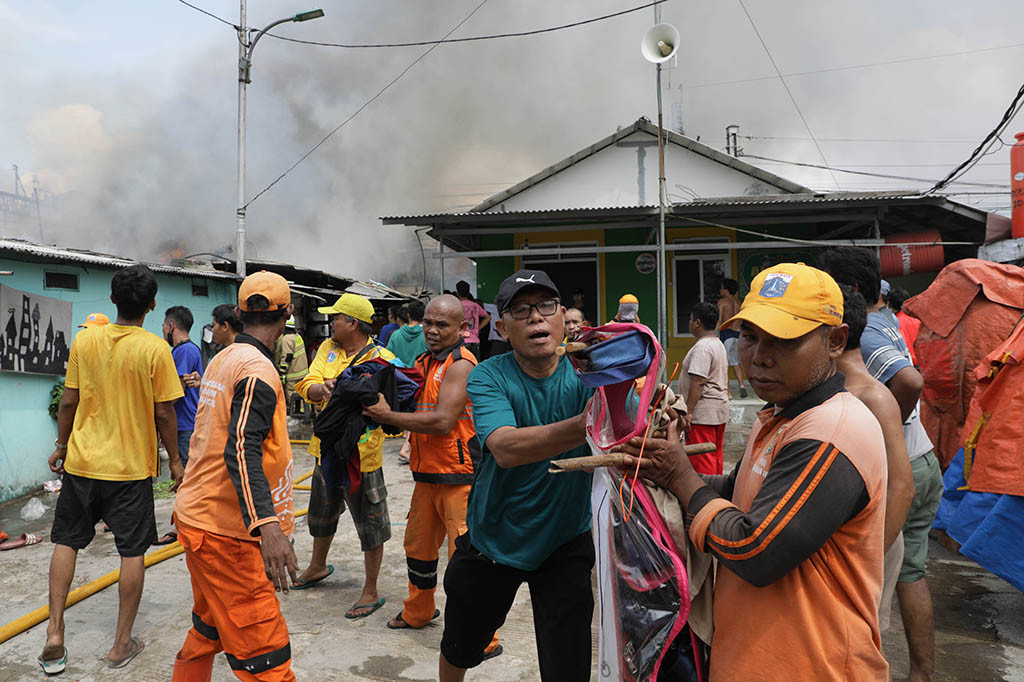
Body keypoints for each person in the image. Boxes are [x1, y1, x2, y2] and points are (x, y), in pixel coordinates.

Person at [616, 262, 889, 681]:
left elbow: (755, 549)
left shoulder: (830, 431)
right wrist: (660, 473)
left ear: (835, 341)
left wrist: (681, 479)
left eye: (783, 341)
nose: (759, 356)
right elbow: (738, 493)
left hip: (812, 668)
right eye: (749, 337)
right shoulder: (783, 416)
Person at [439, 270, 594, 682]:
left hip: (565, 541)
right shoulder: (488, 375)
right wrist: (590, 424)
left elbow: (630, 424)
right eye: (521, 310)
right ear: (503, 328)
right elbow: (506, 448)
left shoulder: (588, 372)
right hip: (495, 540)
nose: (536, 317)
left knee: (569, 667)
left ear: (563, 317)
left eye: (546, 306)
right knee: (460, 646)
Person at [40, 264, 184, 674]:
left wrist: (61, 446)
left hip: (82, 463)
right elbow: (165, 414)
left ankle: (55, 632)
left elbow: (69, 402)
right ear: (152, 305)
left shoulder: (86, 340)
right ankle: (121, 644)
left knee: (66, 542)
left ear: (112, 299)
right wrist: (175, 461)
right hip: (130, 470)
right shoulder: (156, 349)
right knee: (132, 551)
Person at [819, 247, 941, 682]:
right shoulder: (884, 318)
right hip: (920, 456)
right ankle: (921, 673)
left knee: (876, 582)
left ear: (849, 291)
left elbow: (909, 381)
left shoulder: (864, 333)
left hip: (902, 464)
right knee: (908, 572)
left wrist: (885, 423)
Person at [171, 271, 299, 681]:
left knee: (208, 629)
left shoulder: (224, 358)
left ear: (239, 314)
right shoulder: (256, 370)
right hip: (227, 534)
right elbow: (241, 449)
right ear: (288, 314)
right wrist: (268, 526)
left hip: (199, 519)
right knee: (265, 656)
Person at [363, 295, 501, 656]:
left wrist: (387, 417)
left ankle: (483, 637)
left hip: (459, 479)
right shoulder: (424, 362)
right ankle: (419, 612)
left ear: (463, 328)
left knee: (467, 563)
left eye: (442, 324)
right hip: (426, 475)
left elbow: (442, 421)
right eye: (428, 322)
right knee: (419, 551)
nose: (433, 330)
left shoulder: (461, 365)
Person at [293, 293, 396, 619]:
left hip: (362, 456)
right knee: (321, 514)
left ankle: (371, 590)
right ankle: (317, 566)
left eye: (336, 317)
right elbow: (307, 383)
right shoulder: (328, 348)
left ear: (352, 323)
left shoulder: (382, 358)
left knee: (371, 524)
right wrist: (321, 389)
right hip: (325, 451)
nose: (331, 322)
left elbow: (388, 405)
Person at [836, 285, 916, 632]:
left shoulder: (873, 397)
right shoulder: (836, 389)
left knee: (861, 638)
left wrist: (867, 560)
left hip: (872, 541)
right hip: (850, 543)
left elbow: (903, 488)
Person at [677, 302, 729, 475]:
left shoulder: (703, 348)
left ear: (697, 323)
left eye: (691, 320)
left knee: (702, 461)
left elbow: (698, 381)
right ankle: (716, 490)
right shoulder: (717, 344)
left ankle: (705, 491)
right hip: (717, 410)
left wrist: (689, 412)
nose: (689, 323)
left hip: (703, 413)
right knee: (714, 456)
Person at [163, 306, 203, 470]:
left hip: (185, 424)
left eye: (164, 326)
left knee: (188, 475)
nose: (163, 330)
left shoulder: (184, 350)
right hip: (184, 423)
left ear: (171, 326)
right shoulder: (184, 349)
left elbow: (176, 392)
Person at [716, 278, 748, 398]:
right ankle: (742, 386)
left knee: (724, 364)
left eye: (721, 288)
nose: (720, 290)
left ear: (726, 289)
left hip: (726, 334)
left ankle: (728, 393)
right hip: (738, 334)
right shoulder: (739, 303)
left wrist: (713, 334)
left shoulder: (722, 302)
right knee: (735, 362)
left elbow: (719, 320)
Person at [274, 315, 309, 411]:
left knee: (292, 394)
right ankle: (304, 410)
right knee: (301, 393)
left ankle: (297, 413)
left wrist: (282, 372)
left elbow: (287, 357)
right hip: (303, 372)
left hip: (293, 374)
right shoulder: (297, 336)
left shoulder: (286, 339)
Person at [387, 300, 428, 367]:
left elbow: (388, 357)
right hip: (419, 373)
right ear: (424, 316)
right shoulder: (427, 336)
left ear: (408, 315)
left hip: (399, 373)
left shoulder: (395, 335)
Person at [455, 281, 489, 358]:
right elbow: (487, 318)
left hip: (461, 341)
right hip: (475, 340)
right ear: (468, 292)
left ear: (457, 293)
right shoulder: (475, 305)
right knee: (475, 363)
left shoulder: (456, 306)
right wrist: (478, 328)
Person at [888, 286, 921, 366]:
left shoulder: (896, 323)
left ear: (889, 304)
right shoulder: (918, 319)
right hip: (922, 363)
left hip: (908, 365)